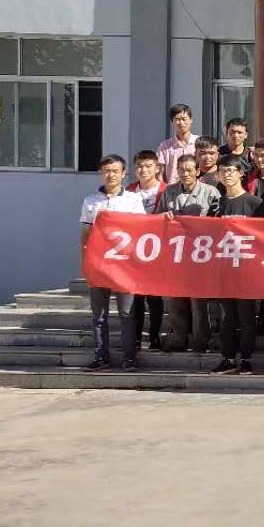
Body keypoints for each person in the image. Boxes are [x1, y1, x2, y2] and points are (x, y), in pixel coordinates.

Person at [79, 155, 146, 372]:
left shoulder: (133, 200)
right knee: (99, 315)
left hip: (125, 266)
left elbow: (142, 230)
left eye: (115, 171)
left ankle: (130, 358)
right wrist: (86, 262)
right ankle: (101, 356)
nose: (111, 175)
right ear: (101, 173)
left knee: (127, 314)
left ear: (124, 173)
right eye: (107, 171)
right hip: (99, 265)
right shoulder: (91, 201)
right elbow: (86, 234)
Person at [158, 154, 220, 353]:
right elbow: (157, 218)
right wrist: (163, 216)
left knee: (198, 302)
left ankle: (201, 341)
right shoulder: (169, 191)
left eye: (189, 170)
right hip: (175, 254)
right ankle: (179, 339)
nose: (185, 174)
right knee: (174, 300)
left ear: (197, 171)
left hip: (199, 255)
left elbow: (218, 223)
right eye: (181, 170)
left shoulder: (210, 192)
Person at [208, 154, 263, 375]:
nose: (227, 175)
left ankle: (247, 358)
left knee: (247, 318)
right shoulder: (217, 204)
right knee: (226, 318)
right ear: (218, 176)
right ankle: (228, 358)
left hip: (247, 271)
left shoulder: (254, 203)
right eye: (222, 171)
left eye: (231, 170)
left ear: (241, 173)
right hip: (223, 270)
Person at [124, 149, 167, 351]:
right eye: (139, 166)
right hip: (133, 251)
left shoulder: (166, 190)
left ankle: (155, 336)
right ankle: (136, 337)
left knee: (155, 296)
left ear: (157, 168)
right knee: (136, 298)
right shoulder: (128, 191)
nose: (144, 170)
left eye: (148, 166)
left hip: (158, 250)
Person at [156, 103, 197, 182]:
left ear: (191, 120)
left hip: (196, 187)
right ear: (172, 121)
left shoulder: (198, 142)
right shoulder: (165, 146)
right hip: (172, 188)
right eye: (177, 119)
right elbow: (159, 174)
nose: (181, 123)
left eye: (184, 119)